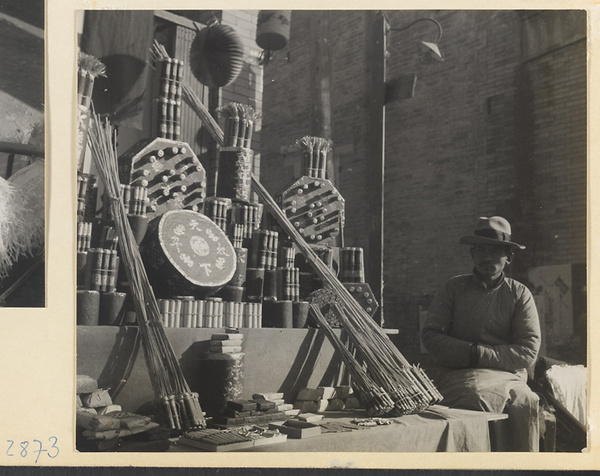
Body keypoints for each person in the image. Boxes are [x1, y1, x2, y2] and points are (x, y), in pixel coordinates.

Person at [421, 216, 541, 451]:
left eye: (495, 251)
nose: (487, 258)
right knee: (474, 396)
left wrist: (479, 354)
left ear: (509, 257)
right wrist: (470, 355)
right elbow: (431, 337)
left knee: (526, 403)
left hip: (508, 376)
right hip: (458, 372)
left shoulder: (519, 294)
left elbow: (528, 352)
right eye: (482, 251)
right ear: (472, 254)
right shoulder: (453, 289)